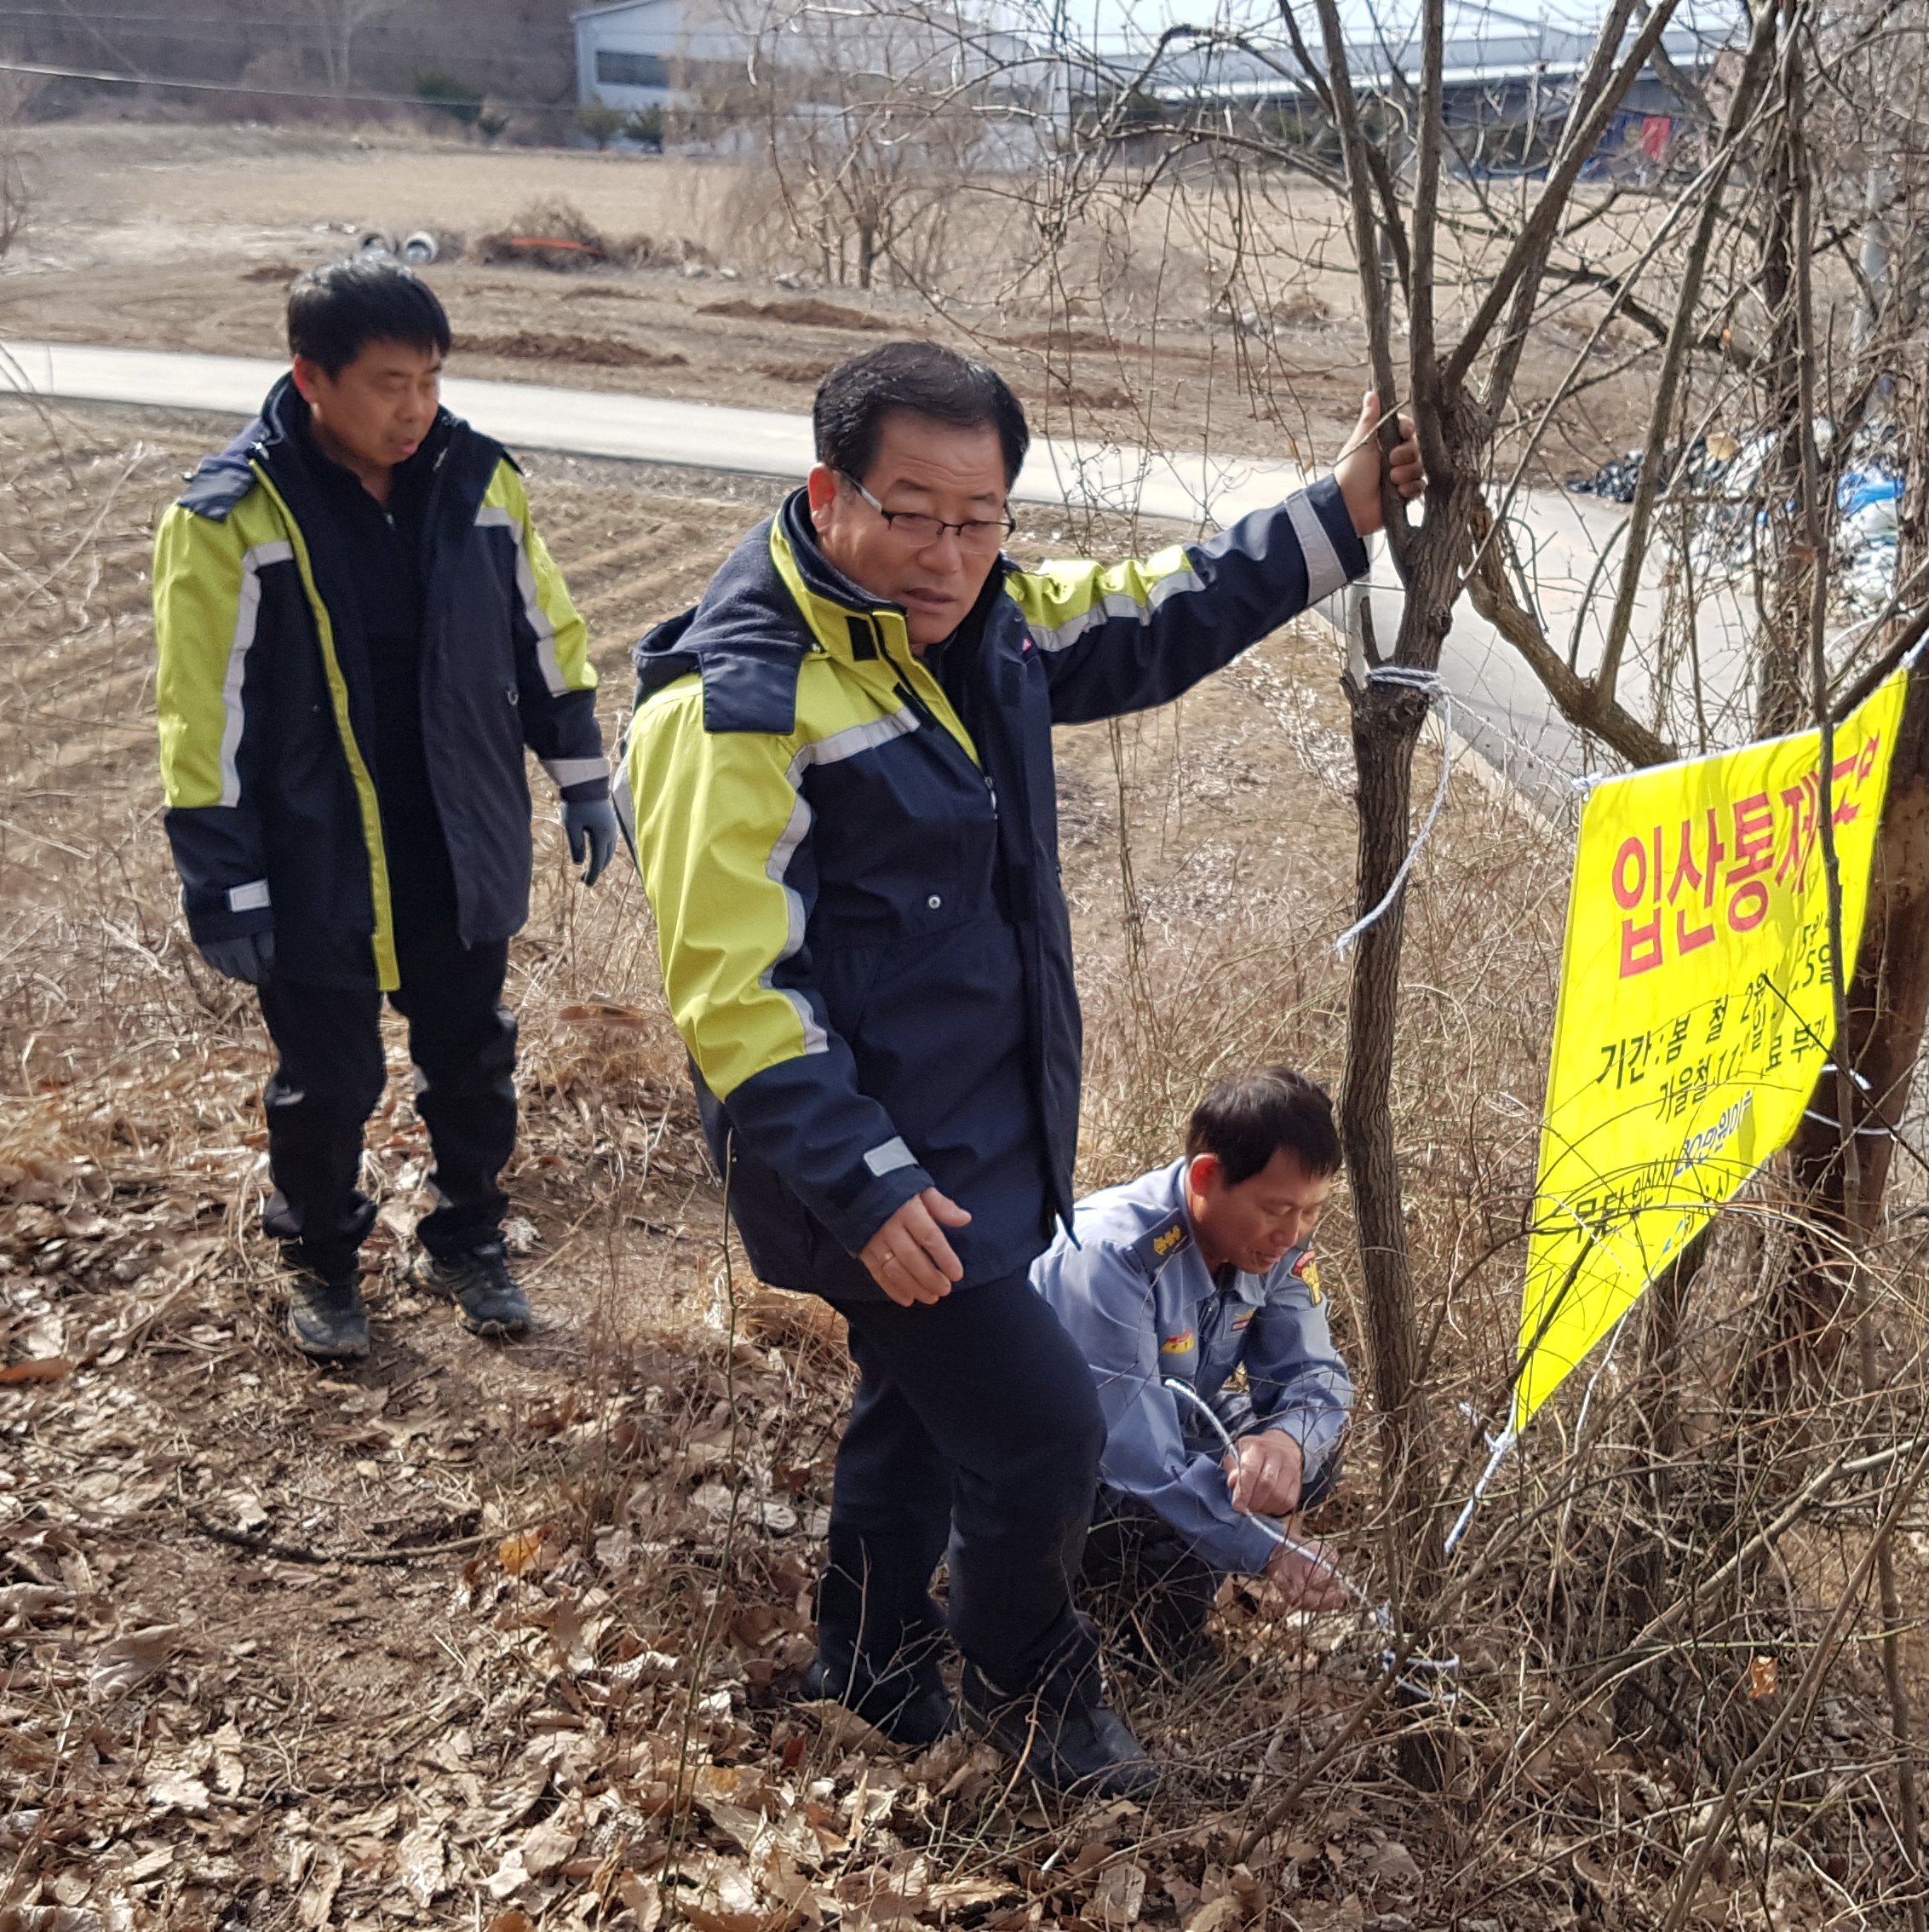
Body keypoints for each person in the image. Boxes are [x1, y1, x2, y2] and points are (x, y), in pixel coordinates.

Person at [622, 342, 1418, 1797]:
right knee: (1043, 1430)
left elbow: (1159, 610)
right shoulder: (741, 702)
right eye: (911, 513)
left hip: (981, 1138)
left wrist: (1340, 509)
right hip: (860, 1166)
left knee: (919, 1413)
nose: (947, 555)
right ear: (829, 494)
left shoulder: (986, 623)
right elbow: (738, 992)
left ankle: (868, 1664)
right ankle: (1035, 1698)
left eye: (979, 519)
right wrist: (866, 1184)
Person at [151, 257, 616, 1362]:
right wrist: (222, 877)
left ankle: (466, 1240)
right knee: (330, 1083)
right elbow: (201, 712)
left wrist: (582, 770)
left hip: (458, 837)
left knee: (473, 1060)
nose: (416, 409)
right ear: (311, 377)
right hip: (314, 852)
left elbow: (544, 633)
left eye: (432, 380)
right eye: (390, 383)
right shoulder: (230, 516)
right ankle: (321, 1261)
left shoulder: (478, 481)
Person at [1032, 1067, 1356, 1686]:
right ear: (1207, 1177)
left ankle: (1165, 1608)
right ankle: (1144, 1636)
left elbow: (1317, 1377)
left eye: (1312, 1212)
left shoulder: (1277, 1248)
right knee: (1156, 1497)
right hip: (1062, 1468)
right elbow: (1135, 1454)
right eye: (1277, 1209)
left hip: (1164, 1432)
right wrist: (1269, 1548)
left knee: (1308, 1456)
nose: (1291, 1234)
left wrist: (1284, 1445)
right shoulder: (1111, 1256)